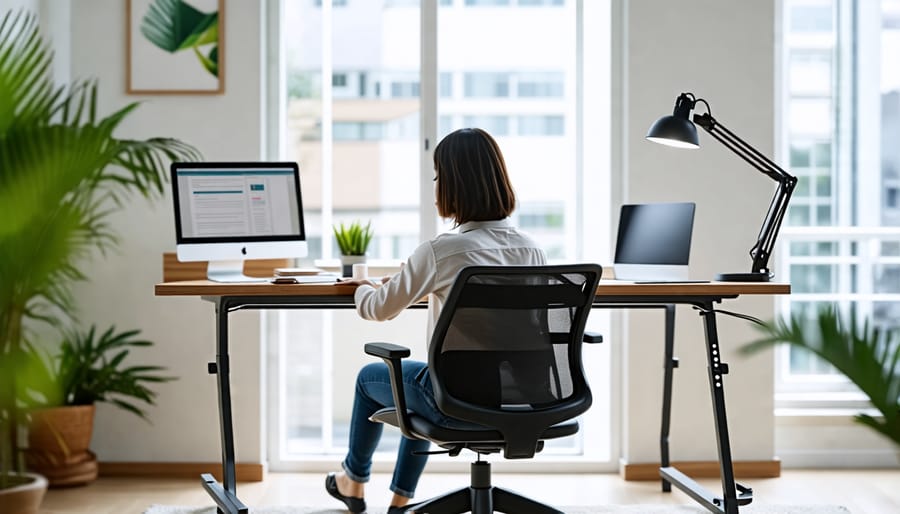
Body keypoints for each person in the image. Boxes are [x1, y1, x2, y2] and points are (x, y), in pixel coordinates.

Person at [325, 128, 546, 514]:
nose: (436, 185)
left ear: (452, 185)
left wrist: (361, 287)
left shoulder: (442, 251)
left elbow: (379, 308)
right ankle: (399, 501)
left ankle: (353, 480)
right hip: (527, 399)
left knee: (376, 379)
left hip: (456, 401)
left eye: (437, 176)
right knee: (422, 380)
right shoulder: (532, 249)